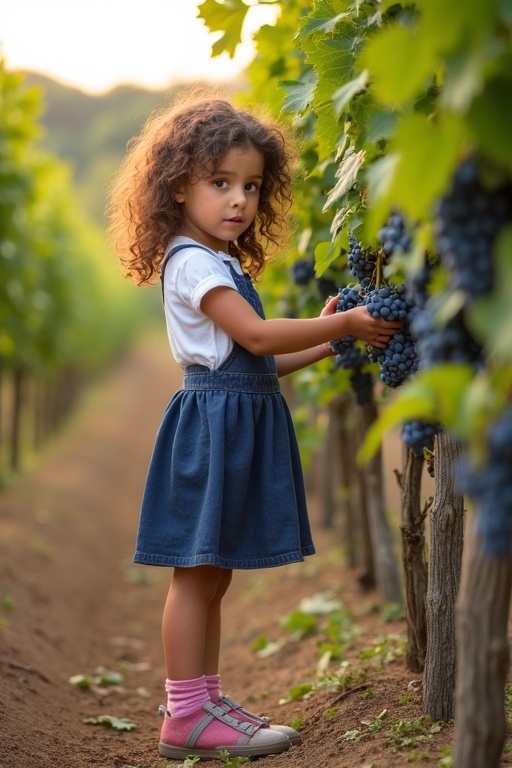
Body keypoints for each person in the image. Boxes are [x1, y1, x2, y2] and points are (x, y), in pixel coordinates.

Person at [107, 89, 399, 761]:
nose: (238, 199)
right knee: (195, 569)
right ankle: (185, 713)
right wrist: (347, 321)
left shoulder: (221, 261)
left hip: (234, 417)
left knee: (213, 573)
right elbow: (259, 337)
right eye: (220, 183)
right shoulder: (193, 263)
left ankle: (203, 703)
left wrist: (331, 341)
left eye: (251, 186)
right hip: (213, 428)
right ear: (178, 187)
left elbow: (262, 362)